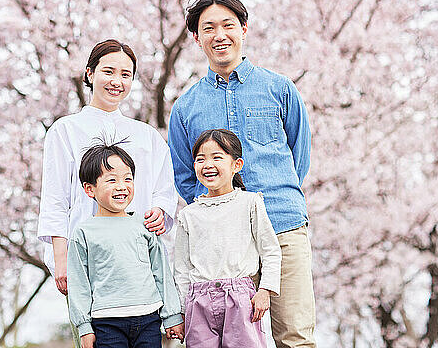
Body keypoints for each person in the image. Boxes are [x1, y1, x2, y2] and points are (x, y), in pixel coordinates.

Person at [168, 0, 316, 348]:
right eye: (209, 28)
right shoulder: (185, 107)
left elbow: (300, 157)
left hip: (282, 225)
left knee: (295, 337)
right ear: (196, 38)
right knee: (231, 341)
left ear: (244, 29)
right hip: (222, 249)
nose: (220, 34)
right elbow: (186, 176)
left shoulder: (279, 88)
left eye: (228, 25)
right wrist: (218, 216)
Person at [38, 39, 178, 296]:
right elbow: (55, 198)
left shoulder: (147, 136)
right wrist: (61, 258)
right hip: (84, 258)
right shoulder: (65, 130)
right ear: (90, 73)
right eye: (108, 71)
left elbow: (164, 188)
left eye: (126, 75)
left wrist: (160, 210)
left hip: (136, 258)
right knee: (91, 334)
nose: (117, 81)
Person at [67, 143, 184, 348]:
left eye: (127, 179)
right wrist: (84, 327)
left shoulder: (144, 225)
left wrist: (172, 315)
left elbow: (161, 272)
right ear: (89, 189)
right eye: (111, 180)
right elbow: (79, 284)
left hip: (148, 318)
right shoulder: (84, 233)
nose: (122, 186)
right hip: (107, 322)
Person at [174, 129, 281, 347]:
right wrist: (182, 312)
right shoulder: (188, 214)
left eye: (217, 157)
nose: (208, 164)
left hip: (241, 299)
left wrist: (265, 291)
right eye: (200, 159)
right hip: (198, 301)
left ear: (236, 164)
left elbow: (270, 250)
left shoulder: (250, 203)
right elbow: (182, 269)